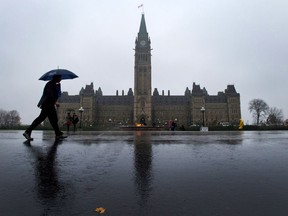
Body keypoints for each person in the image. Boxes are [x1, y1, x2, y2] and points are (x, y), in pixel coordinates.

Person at [23, 75, 67, 140]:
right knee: (44, 119)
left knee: (52, 119)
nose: (61, 79)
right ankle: (27, 131)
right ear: (56, 78)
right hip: (48, 105)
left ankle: (58, 133)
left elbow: (55, 95)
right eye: (60, 78)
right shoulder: (50, 84)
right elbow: (49, 94)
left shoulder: (53, 84)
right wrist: (55, 102)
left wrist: (57, 89)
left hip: (49, 104)